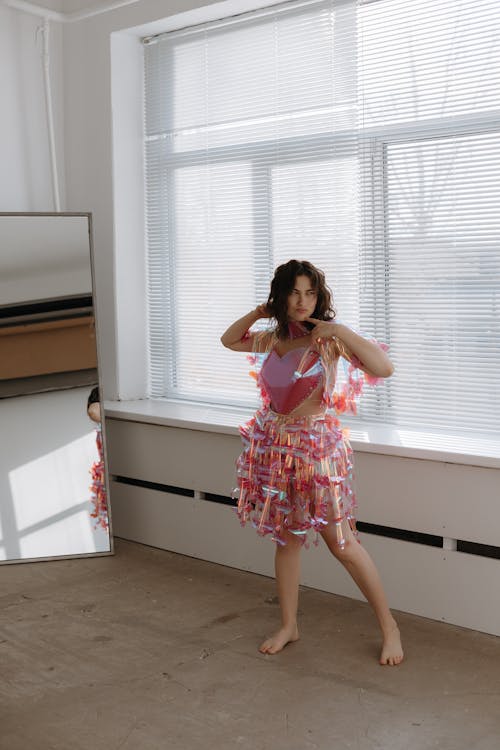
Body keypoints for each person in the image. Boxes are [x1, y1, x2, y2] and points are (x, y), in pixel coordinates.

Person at [221, 259, 403, 665]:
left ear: (319, 298)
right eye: (294, 292)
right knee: (285, 541)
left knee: (343, 544)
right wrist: (257, 313)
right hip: (275, 450)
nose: (303, 301)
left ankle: (389, 626)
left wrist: (339, 329)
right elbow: (229, 340)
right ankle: (289, 624)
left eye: (311, 293)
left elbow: (384, 368)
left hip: (316, 454)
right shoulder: (273, 340)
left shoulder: (327, 341)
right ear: (281, 296)